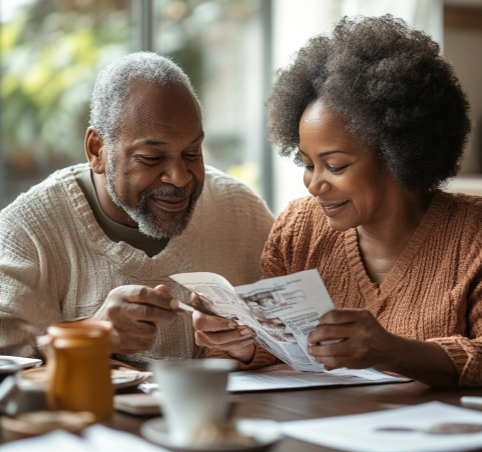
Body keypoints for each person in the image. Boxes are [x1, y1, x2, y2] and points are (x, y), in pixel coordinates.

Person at [192, 15, 482, 387]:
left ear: (400, 154)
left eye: (335, 165)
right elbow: (277, 347)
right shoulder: (300, 229)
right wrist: (238, 342)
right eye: (307, 164)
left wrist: (390, 349)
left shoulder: (473, 237)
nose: (314, 184)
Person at [0, 52, 274, 364]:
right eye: (151, 158)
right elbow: (6, 357)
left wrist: (248, 345)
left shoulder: (240, 211)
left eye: (192, 152)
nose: (180, 177)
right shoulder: (25, 231)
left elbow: (297, 338)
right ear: (97, 151)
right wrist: (91, 334)